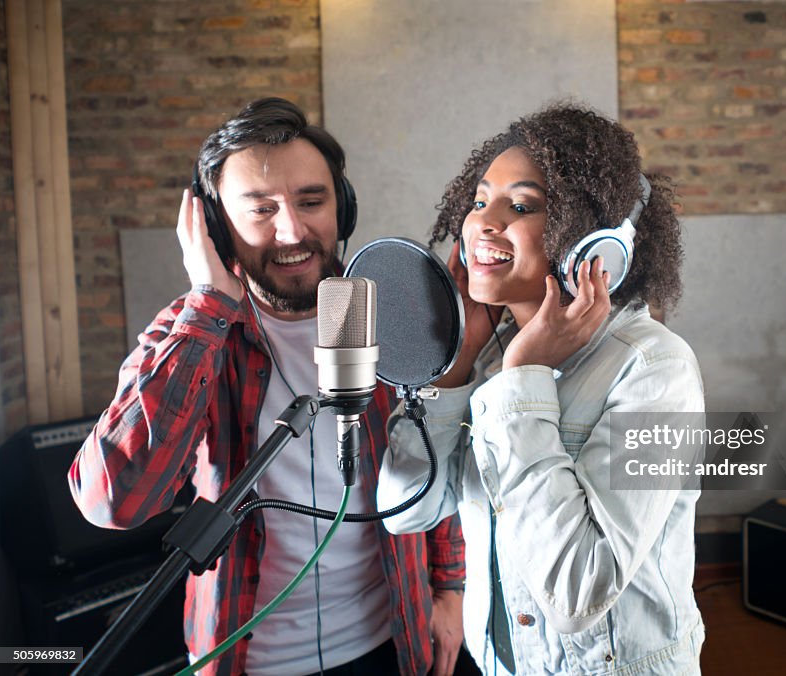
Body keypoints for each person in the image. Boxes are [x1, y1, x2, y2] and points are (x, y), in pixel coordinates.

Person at [68, 98, 466, 676]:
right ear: (215, 227)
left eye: (312, 201)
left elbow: (433, 451)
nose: (292, 231)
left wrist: (449, 586)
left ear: (343, 207)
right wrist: (209, 309)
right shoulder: (192, 335)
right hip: (252, 661)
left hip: (393, 639)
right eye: (261, 210)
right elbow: (114, 502)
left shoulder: (389, 313)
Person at [377, 103, 706, 674]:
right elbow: (406, 510)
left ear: (594, 244)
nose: (482, 222)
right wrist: (455, 369)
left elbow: (581, 591)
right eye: (479, 201)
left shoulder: (657, 369)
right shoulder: (486, 359)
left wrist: (523, 381)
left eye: (521, 206)